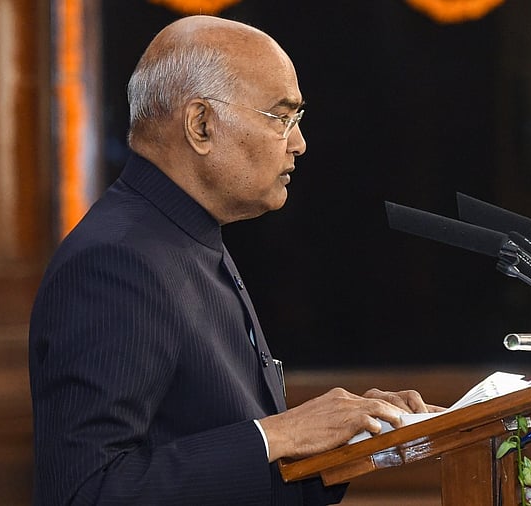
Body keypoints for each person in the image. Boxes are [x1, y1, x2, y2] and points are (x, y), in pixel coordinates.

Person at [28, 15, 441, 505]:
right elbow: (86, 492)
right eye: (281, 118)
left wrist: (351, 435)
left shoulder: (185, 234)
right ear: (201, 124)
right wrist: (280, 435)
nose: (299, 143)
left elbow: (222, 458)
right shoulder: (114, 261)